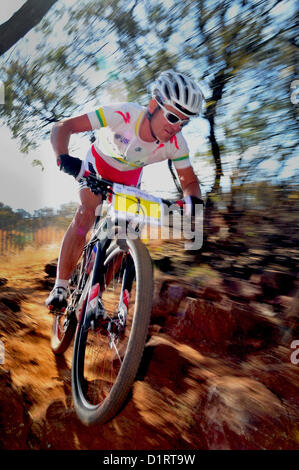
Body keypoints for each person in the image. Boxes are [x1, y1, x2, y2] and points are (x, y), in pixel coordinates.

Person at [46, 70, 204, 311]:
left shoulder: (176, 143)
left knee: (125, 234)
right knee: (86, 212)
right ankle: (61, 286)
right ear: (153, 105)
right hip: (96, 168)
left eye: (184, 122)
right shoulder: (123, 114)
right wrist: (63, 158)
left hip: (128, 182)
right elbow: (63, 127)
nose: (177, 128)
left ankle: (93, 296)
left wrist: (193, 203)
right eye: (173, 117)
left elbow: (189, 182)